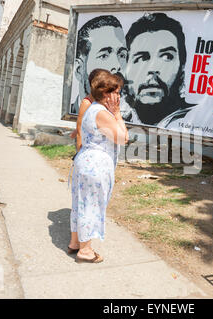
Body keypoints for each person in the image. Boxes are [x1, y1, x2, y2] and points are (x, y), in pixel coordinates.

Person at [68, 71, 129, 263]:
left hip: (86, 162)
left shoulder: (93, 109)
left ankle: (75, 243)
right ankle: (85, 251)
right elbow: (123, 138)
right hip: (95, 165)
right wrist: (118, 114)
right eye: (116, 92)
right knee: (91, 206)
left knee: (81, 203)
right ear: (106, 93)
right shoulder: (101, 113)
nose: (118, 97)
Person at [123, 12, 195, 128]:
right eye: (141, 58)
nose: (153, 68)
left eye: (167, 57)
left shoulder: (194, 118)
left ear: (182, 68)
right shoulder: (118, 118)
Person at [70, 15, 128, 114]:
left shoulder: (128, 116)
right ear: (79, 69)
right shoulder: (81, 110)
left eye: (122, 55)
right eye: (104, 56)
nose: (117, 65)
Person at [70, 69, 109, 153]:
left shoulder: (104, 102)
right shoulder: (86, 103)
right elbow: (80, 129)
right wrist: (80, 152)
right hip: (88, 149)